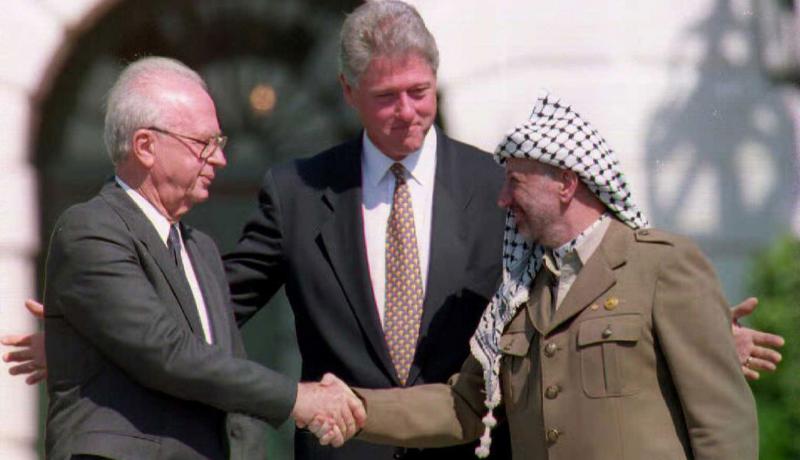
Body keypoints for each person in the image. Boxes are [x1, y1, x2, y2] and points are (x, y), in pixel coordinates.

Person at [1, 1, 784, 459]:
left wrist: (699, 333)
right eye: (386, 97)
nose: (408, 112)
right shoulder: (298, 190)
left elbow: (578, 284)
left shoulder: (501, 187)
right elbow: (211, 304)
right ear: (348, 92)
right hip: (345, 451)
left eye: (420, 91)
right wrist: (95, 334)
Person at [332, 94, 760, 460]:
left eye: (515, 183)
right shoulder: (517, 296)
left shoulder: (661, 266)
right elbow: (463, 406)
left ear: (566, 184)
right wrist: (353, 407)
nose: (502, 199)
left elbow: (721, 423)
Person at [32, 56, 363, 460]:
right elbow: (166, 352)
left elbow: (224, 384)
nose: (220, 159)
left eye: (219, 143)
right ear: (145, 146)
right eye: (204, 143)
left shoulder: (200, 249)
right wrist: (297, 398)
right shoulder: (90, 229)